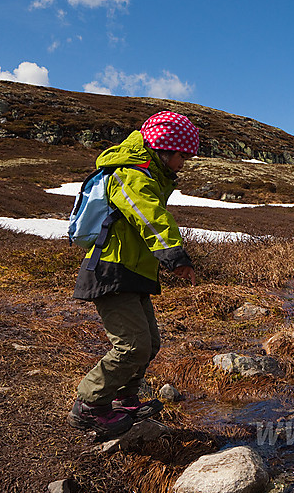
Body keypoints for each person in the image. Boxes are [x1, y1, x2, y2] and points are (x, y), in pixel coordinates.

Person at [67, 111, 198, 437]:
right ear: (163, 149)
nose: (184, 163)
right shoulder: (130, 176)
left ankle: (126, 399)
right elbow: (147, 216)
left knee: (149, 343)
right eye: (182, 155)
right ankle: (89, 406)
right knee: (132, 346)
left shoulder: (149, 176)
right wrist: (175, 255)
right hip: (112, 270)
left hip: (134, 271)